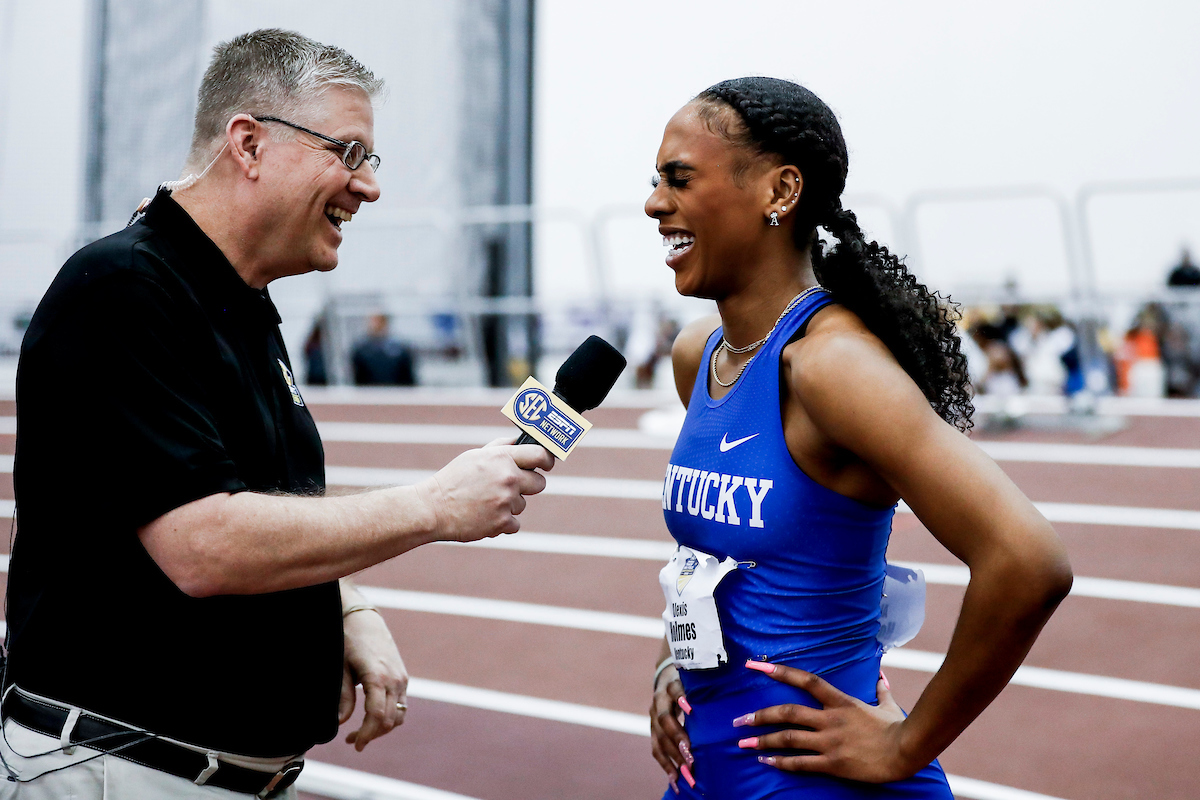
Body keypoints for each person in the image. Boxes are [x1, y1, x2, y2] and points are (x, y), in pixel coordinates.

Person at [2, 29, 554, 799]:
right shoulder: (123, 288)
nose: (369, 187)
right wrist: (434, 505)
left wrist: (345, 602)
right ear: (250, 143)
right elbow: (202, 545)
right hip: (120, 769)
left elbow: (257, 492)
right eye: (350, 152)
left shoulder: (242, 302)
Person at [645, 77, 1073, 799]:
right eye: (655, 181)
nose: (656, 203)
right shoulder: (702, 357)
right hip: (707, 772)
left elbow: (1029, 560)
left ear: (780, 190)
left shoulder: (831, 366)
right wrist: (668, 661)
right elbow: (711, 553)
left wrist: (905, 744)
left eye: (679, 179)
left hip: (820, 783)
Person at [352, 313, 417, 385]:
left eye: (380, 321)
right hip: (369, 392)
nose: (376, 325)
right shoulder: (361, 350)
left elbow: (407, 377)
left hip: (396, 391)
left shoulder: (400, 350)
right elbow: (358, 376)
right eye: (374, 321)